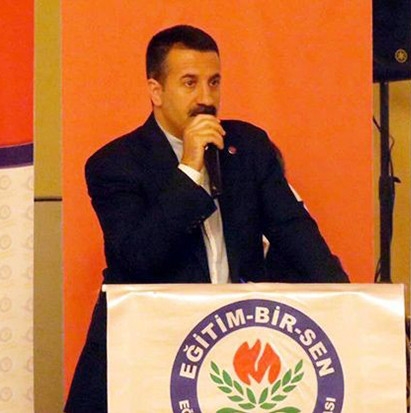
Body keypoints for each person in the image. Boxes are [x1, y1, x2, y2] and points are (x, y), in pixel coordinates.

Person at [65, 24, 348, 413]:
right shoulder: (115, 164)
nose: (206, 98)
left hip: (228, 351)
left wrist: (349, 304)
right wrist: (189, 170)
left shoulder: (247, 148)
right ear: (156, 91)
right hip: (144, 354)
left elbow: (296, 233)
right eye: (189, 83)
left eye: (214, 82)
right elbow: (137, 259)